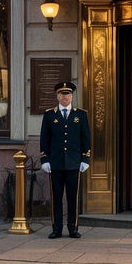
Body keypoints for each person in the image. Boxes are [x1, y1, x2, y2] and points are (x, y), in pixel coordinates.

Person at [39, 80, 91, 239]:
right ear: (57, 96)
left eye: (68, 93)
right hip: (55, 163)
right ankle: (56, 228)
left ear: (72, 96)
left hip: (74, 163)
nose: (65, 96)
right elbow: (44, 139)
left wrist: (85, 159)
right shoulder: (49, 115)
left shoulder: (80, 114)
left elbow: (85, 138)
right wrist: (44, 159)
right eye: (62, 94)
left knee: (72, 198)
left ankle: (73, 228)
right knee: (56, 198)